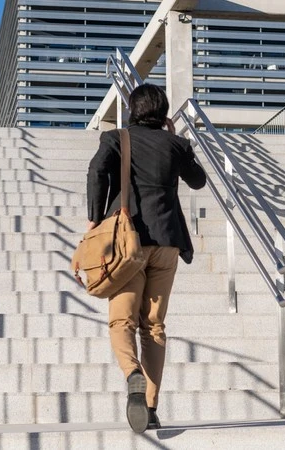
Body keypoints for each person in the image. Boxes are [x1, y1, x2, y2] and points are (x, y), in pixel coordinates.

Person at [86, 84, 207, 433]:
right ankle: (151, 407)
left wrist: (95, 217)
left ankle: (133, 375)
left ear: (133, 110)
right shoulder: (175, 144)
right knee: (153, 326)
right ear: (163, 112)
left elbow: (96, 172)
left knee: (121, 320)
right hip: (167, 241)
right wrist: (177, 140)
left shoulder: (116, 139)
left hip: (127, 242)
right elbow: (197, 180)